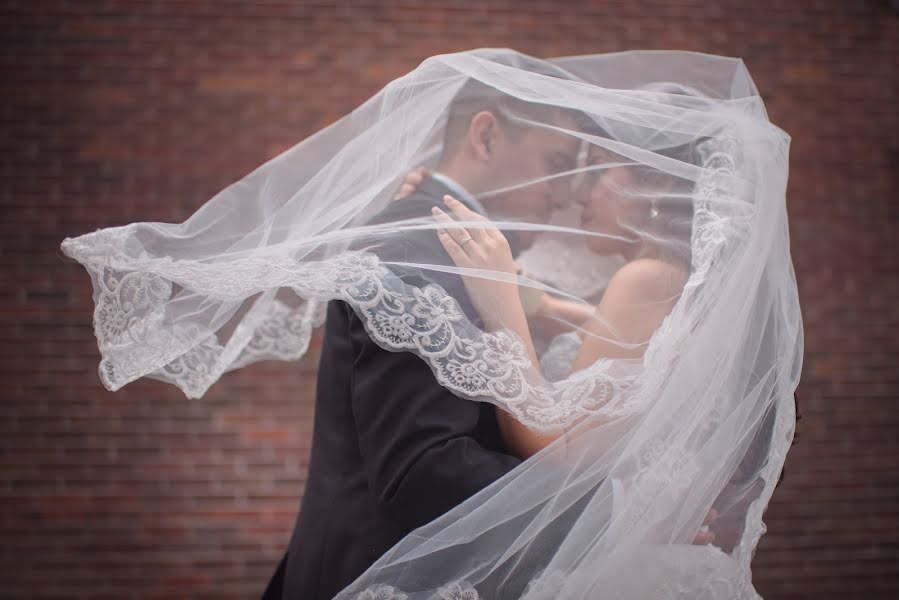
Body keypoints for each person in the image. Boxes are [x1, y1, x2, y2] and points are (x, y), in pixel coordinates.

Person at [262, 69, 583, 600]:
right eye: (556, 165)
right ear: (485, 136)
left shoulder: (448, 247)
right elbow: (423, 470)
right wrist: (614, 509)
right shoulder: (420, 251)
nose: (564, 197)